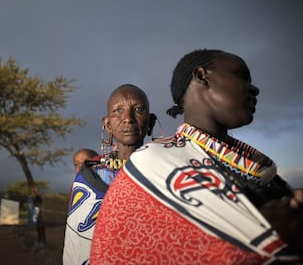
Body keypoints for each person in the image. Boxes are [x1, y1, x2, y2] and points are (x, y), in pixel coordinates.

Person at [91, 49, 303, 264]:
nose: (254, 89)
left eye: (137, 109)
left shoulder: (258, 169)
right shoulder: (153, 163)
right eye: (241, 75)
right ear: (201, 76)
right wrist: (270, 239)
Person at [63, 84, 157, 265]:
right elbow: (77, 241)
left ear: (150, 122)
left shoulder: (166, 171)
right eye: (118, 111)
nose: (128, 119)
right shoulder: (88, 177)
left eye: (137, 109)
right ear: (107, 125)